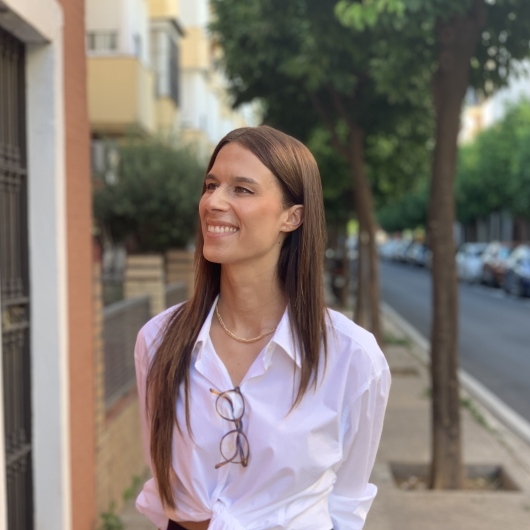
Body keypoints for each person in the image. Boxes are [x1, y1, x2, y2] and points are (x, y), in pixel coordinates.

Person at [134, 125, 391, 530]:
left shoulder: (352, 358)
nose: (213, 202)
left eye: (242, 189)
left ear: (292, 216)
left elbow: (347, 502)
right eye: (211, 185)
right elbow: (165, 484)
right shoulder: (158, 341)